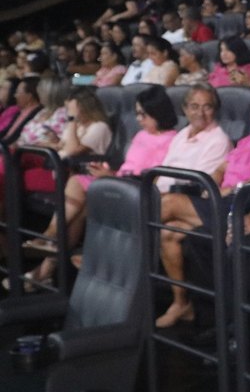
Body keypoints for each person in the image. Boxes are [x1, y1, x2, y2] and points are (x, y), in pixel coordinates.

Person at [154, 95, 250, 328]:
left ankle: (125, 242)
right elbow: (222, 168)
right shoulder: (246, 141)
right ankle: (181, 303)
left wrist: (229, 189)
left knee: (169, 203)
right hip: (220, 199)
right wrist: (212, 185)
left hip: (243, 204)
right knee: (168, 233)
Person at [21, 86, 179, 288]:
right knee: (79, 186)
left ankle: (48, 251)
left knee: (80, 198)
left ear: (158, 112)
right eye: (137, 113)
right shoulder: (141, 135)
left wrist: (112, 176)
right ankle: (48, 250)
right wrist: (108, 171)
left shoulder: (171, 139)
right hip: (119, 180)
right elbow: (126, 167)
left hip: (135, 188)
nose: (139, 119)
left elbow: (153, 177)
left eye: (143, 114)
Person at [156, 84, 233, 191]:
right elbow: (162, 171)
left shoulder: (219, 141)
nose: (200, 113)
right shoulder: (182, 134)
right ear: (185, 109)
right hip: (159, 193)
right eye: (194, 106)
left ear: (215, 110)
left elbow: (196, 185)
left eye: (207, 107)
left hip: (181, 197)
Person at [0, 78, 42, 146]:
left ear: (29, 96)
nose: (15, 95)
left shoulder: (36, 113)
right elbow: (6, 132)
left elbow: (14, 137)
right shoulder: (20, 112)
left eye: (17, 92)